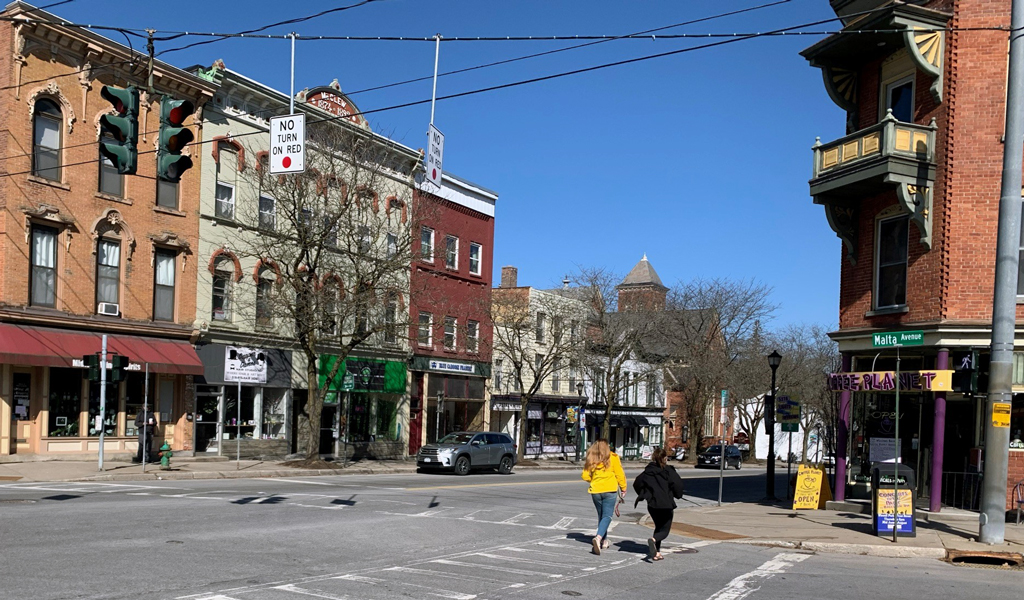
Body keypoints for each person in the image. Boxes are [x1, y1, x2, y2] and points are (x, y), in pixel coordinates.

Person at [632, 446, 685, 561]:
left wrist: (645, 493)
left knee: (658, 526)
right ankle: (654, 540)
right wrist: (678, 495)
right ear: (665, 458)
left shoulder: (647, 471)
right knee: (664, 529)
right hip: (666, 504)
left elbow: (637, 483)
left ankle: (657, 552)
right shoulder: (669, 471)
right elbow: (678, 485)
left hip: (652, 504)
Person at [581, 439, 626, 555]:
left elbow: (585, 476)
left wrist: (594, 480)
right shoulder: (613, 457)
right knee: (607, 516)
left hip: (596, 490)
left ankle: (604, 541)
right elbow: (619, 474)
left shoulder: (592, 458)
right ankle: (599, 537)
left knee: (601, 516)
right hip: (610, 490)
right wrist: (623, 487)